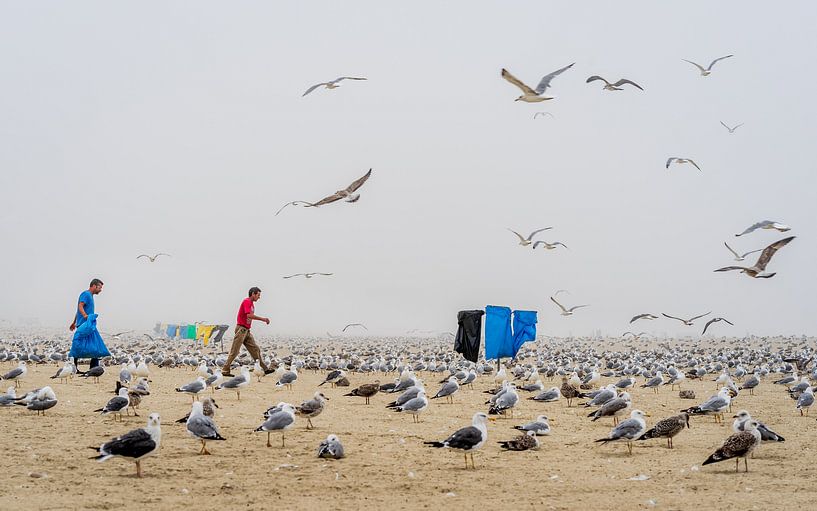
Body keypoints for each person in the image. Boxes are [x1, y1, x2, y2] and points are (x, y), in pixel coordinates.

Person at [222, 287, 273, 376]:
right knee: (235, 351)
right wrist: (263, 319)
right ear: (253, 294)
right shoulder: (247, 301)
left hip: (246, 330)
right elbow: (249, 315)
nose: (259, 297)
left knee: (255, 349)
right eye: (258, 295)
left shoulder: (252, 304)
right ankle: (225, 370)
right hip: (241, 330)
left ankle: (265, 369)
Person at [68, 278, 111, 372]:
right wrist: (85, 316)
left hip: (88, 324)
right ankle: (76, 368)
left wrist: (74, 322)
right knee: (81, 346)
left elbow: (78, 310)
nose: (101, 290)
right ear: (94, 286)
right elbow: (80, 306)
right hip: (85, 325)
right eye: (99, 287)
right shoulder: (86, 294)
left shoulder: (90, 296)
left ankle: (92, 368)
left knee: (93, 345)